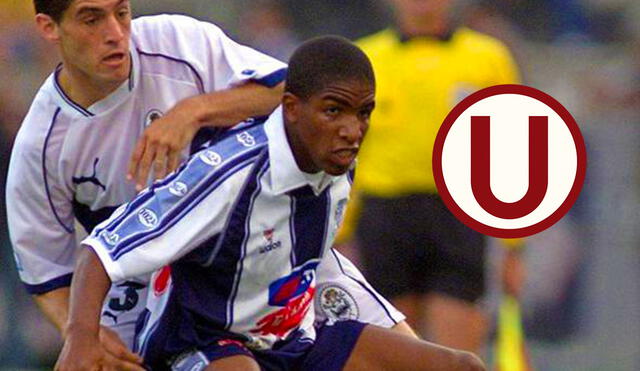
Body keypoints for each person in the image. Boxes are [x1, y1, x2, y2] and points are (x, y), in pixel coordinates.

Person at [6, 0, 409, 368]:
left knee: (421, 356)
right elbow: (49, 274)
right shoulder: (39, 147)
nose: (115, 32)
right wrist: (84, 333)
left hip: (272, 251)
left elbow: (297, 92)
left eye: (122, 12)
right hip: (150, 294)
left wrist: (195, 111)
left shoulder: (177, 43)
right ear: (48, 27)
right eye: (91, 19)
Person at [54, 35, 485, 371]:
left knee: (461, 364)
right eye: (334, 111)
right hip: (202, 343)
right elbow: (102, 250)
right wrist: (80, 339)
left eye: (364, 113)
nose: (353, 130)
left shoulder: (336, 164)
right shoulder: (229, 173)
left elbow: (319, 267)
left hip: (294, 342)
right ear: (292, 108)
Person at [338, 0, 525, 353]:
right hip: (385, 216)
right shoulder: (366, 58)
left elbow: (510, 149)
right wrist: (341, 233)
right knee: (395, 349)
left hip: (459, 213)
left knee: (457, 353)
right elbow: (345, 153)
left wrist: (514, 246)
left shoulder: (488, 57)